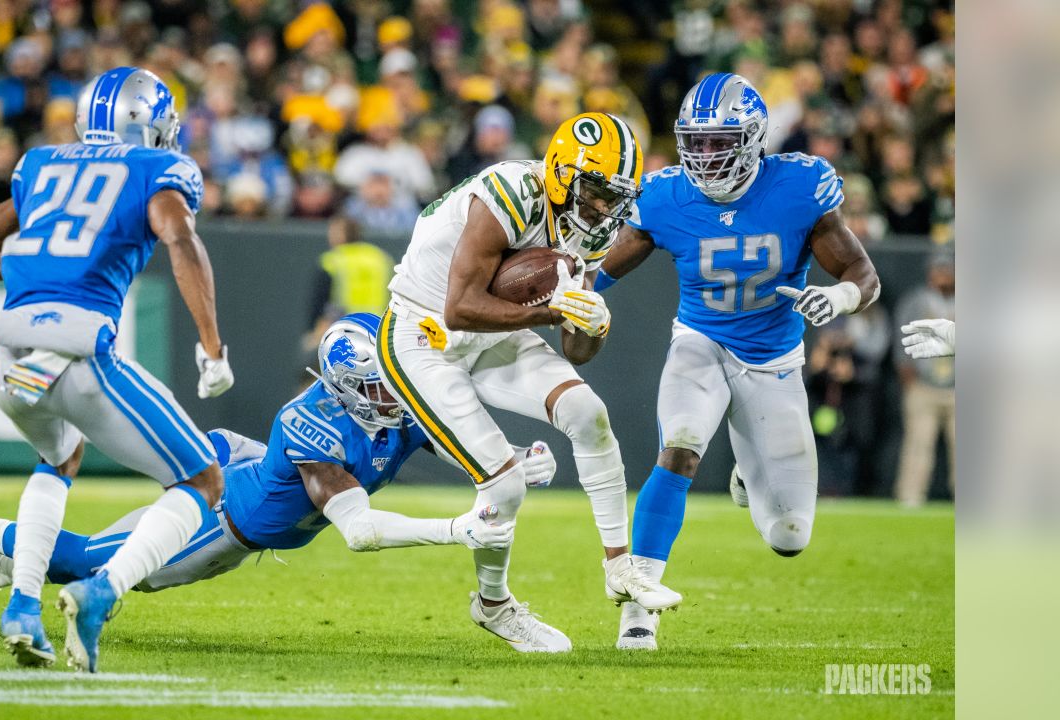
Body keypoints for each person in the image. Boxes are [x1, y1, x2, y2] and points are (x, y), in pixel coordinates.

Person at [0, 314, 557, 631]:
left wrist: (511, 462)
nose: (395, 396)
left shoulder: (389, 396)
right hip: (226, 513)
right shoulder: (319, 426)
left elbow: (453, 441)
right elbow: (358, 530)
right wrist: (456, 530)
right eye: (378, 386)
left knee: (97, 558)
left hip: (245, 460)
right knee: (94, 566)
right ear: (344, 390)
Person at [0, 67, 234, 673]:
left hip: (10, 358)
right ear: (148, 122)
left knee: (59, 459)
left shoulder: (43, 163)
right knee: (204, 482)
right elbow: (178, 237)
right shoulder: (158, 170)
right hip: (77, 353)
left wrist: (35, 276)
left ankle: (21, 607)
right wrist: (211, 345)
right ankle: (101, 593)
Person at [598, 73, 881, 650]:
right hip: (700, 344)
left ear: (753, 137)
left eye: (719, 141)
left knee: (789, 536)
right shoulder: (665, 195)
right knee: (678, 446)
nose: (704, 155)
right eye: (694, 142)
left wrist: (840, 297)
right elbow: (597, 274)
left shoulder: (799, 187)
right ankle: (638, 607)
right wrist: (563, 293)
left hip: (775, 363)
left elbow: (863, 275)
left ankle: (749, 471)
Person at [380, 112, 680, 654]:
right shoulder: (513, 191)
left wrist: (593, 322)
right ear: (563, 173)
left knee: (589, 414)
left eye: (616, 197)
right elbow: (461, 307)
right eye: (596, 192)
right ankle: (494, 606)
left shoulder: (584, 228)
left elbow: (576, 351)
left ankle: (620, 566)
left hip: (491, 332)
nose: (605, 209)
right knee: (505, 484)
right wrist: (548, 312)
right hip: (424, 332)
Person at [893, 255, 956, 506]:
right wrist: (908, 377)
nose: (942, 274)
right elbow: (900, 338)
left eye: (947, 270)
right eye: (937, 269)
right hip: (923, 385)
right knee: (918, 445)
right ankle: (910, 496)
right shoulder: (915, 301)